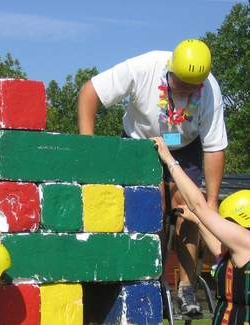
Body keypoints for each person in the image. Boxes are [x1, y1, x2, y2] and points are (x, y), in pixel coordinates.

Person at [77, 38, 228, 315]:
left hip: (186, 147)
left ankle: (186, 287)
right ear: (169, 70)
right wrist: (89, 153)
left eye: (191, 87)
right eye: (180, 83)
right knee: (151, 201)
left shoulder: (209, 89)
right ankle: (150, 277)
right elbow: (90, 92)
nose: (185, 90)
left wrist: (212, 204)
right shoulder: (144, 66)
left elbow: (215, 147)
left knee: (190, 207)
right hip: (140, 143)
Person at [153, 136, 250, 324]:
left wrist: (170, 161)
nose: (221, 226)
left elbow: (199, 205)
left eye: (227, 221)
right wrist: (197, 220)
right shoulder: (236, 252)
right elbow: (214, 242)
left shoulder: (245, 241)